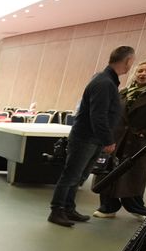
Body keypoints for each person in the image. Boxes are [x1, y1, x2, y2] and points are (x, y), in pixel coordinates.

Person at [47, 46, 135, 227]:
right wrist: (108, 140)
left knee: (79, 177)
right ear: (127, 61)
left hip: (92, 138)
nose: (131, 66)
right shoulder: (104, 83)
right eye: (132, 62)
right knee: (71, 176)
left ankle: (68, 208)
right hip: (86, 138)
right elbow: (98, 115)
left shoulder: (107, 80)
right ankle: (57, 211)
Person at [94, 58, 146, 220]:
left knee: (133, 176)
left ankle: (136, 207)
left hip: (139, 141)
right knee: (109, 172)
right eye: (140, 70)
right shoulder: (123, 91)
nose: (143, 73)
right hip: (116, 139)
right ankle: (108, 207)